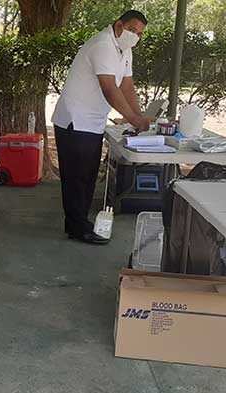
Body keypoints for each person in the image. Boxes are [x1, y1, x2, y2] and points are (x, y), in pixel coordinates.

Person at [52, 10, 150, 245]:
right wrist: (132, 119)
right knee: (77, 177)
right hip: (75, 120)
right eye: (132, 30)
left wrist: (139, 116)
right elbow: (109, 88)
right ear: (119, 25)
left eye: (139, 34)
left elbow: (126, 85)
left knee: (87, 175)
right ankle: (77, 227)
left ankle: (79, 222)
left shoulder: (124, 50)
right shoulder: (102, 44)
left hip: (92, 121)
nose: (135, 37)